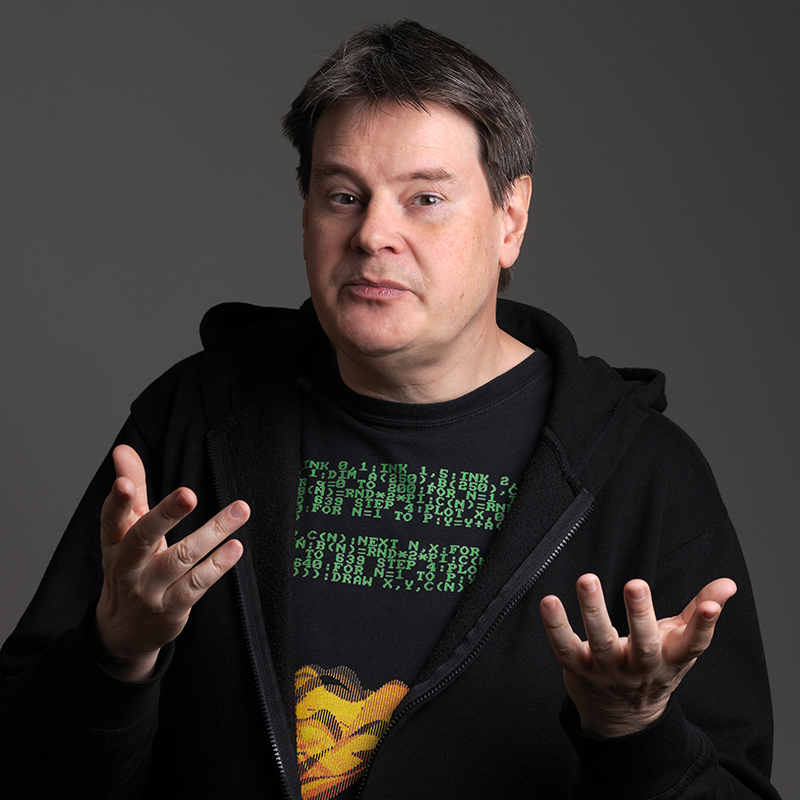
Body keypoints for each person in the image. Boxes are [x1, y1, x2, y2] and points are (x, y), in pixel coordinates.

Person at [0, 19, 780, 800]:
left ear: (510, 219)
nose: (373, 234)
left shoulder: (641, 476)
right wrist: (115, 654)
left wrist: (635, 733)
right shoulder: (193, 424)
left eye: (425, 199)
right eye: (343, 196)